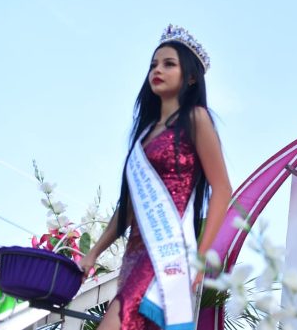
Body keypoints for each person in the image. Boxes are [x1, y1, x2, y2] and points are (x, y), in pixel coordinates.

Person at [79, 25, 233, 330]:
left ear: (190, 76)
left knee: (114, 322)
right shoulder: (144, 136)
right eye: (153, 65)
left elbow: (223, 189)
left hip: (166, 255)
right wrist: (93, 253)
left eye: (168, 64)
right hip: (134, 254)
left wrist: (201, 258)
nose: (157, 71)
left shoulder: (195, 119)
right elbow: (130, 208)